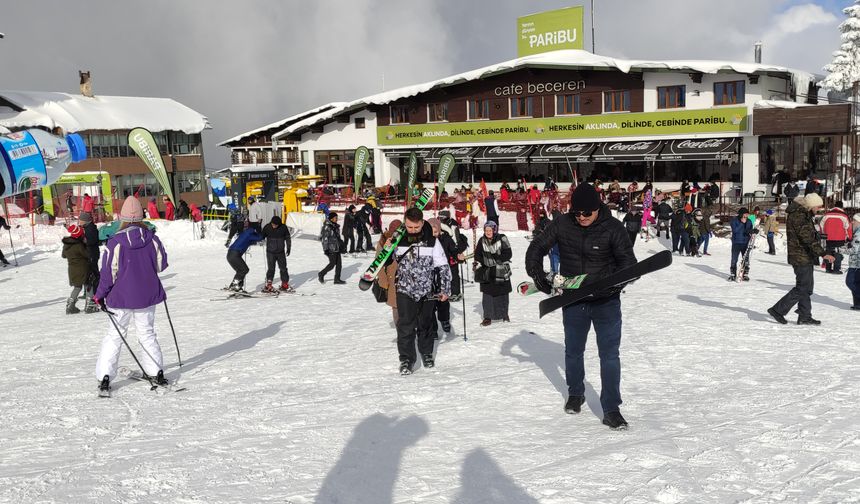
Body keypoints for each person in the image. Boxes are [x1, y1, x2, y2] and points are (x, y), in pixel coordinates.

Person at [525, 183, 637, 430]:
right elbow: (537, 246)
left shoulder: (613, 228)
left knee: (609, 355)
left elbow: (630, 266)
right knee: (573, 351)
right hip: (573, 300)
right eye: (577, 213)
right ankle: (575, 393)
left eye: (587, 213)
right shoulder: (564, 224)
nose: (582, 217)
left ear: (597, 208)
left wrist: (612, 286)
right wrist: (537, 273)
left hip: (606, 302)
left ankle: (611, 408)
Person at [93, 196, 170, 395]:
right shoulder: (152, 239)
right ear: (142, 216)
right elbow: (162, 265)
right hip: (147, 296)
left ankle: (105, 376)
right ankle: (156, 371)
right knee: (147, 333)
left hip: (120, 299)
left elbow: (108, 274)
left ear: (122, 217)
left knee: (115, 336)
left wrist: (99, 295)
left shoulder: (115, 242)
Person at [388, 207, 451, 375]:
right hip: (405, 288)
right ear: (405, 223)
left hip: (427, 290)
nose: (413, 230)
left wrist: (445, 288)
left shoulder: (432, 241)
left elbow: (443, 265)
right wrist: (386, 248)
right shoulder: (397, 240)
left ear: (422, 223)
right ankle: (406, 360)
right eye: (409, 227)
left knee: (426, 324)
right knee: (405, 326)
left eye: (416, 227)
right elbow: (385, 259)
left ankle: (427, 352)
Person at [767, 193, 836, 325]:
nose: (818, 210)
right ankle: (777, 310)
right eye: (817, 207)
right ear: (810, 205)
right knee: (802, 287)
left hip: (805, 255)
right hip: (800, 256)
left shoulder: (804, 214)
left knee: (807, 288)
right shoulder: (799, 215)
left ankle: (804, 315)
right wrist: (822, 253)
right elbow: (807, 238)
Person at [474, 220, 512, 326]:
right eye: (486, 230)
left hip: (501, 270)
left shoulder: (502, 238)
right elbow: (477, 255)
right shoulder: (482, 240)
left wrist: (497, 260)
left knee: (502, 294)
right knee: (488, 295)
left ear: (494, 230)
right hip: (488, 271)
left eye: (490, 230)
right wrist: (485, 261)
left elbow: (508, 253)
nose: (488, 232)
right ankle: (488, 317)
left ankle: (504, 314)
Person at [375, 220, 402, 324]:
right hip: (391, 278)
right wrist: (383, 283)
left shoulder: (406, 240)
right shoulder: (384, 241)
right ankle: (401, 333)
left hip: (405, 276)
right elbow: (379, 264)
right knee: (396, 306)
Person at [438, 209, 469, 301]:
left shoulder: (453, 224)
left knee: (453, 273)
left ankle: (455, 292)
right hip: (443, 250)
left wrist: (457, 251)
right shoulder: (438, 223)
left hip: (452, 251)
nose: (440, 219)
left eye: (442, 217)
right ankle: (445, 291)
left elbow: (455, 238)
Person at [226, 226, 264, 292]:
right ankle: (234, 285)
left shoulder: (245, 233)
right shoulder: (249, 234)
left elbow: (250, 241)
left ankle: (237, 287)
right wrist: (262, 233)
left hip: (230, 254)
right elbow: (260, 237)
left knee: (241, 271)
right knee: (244, 270)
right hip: (235, 254)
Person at [61, 224, 89, 315]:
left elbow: (64, 255)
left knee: (77, 287)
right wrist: (86, 244)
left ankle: (71, 304)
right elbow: (87, 255)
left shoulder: (66, 244)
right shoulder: (79, 245)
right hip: (82, 268)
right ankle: (90, 304)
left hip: (72, 269)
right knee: (89, 284)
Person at [261, 215, 292, 292]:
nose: (273, 226)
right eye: (273, 224)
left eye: (275, 225)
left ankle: (285, 284)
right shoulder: (267, 227)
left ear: (279, 224)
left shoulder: (283, 227)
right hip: (270, 252)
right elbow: (261, 236)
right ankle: (269, 284)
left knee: (283, 268)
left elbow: (288, 238)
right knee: (271, 269)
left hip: (280, 252)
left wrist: (288, 248)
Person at [820, 201, 852, 274]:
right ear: (842, 207)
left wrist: (823, 234)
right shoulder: (844, 215)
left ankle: (828, 268)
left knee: (829, 251)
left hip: (828, 237)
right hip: (840, 238)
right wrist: (849, 238)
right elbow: (848, 228)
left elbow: (821, 225)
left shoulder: (827, 214)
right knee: (838, 252)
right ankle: (836, 269)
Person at [79, 211, 101, 313]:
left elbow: (92, 241)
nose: (79, 221)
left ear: (85, 220)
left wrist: (83, 240)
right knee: (90, 275)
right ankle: (89, 292)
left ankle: (96, 293)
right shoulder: (87, 228)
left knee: (94, 275)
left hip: (92, 254)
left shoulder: (91, 228)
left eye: (80, 220)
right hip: (90, 254)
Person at [318, 212, 345, 284]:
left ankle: (337, 279)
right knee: (332, 264)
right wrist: (325, 249)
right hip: (331, 248)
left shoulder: (335, 226)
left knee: (339, 264)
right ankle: (321, 273)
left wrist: (342, 245)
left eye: (337, 218)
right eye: (336, 218)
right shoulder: (327, 227)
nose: (337, 219)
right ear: (331, 218)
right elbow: (324, 239)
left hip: (337, 248)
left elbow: (338, 238)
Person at [729, 208, 754, 281]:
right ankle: (733, 274)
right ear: (741, 214)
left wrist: (753, 231)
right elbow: (735, 230)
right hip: (736, 242)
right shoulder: (734, 220)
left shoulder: (749, 221)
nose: (747, 215)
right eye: (745, 214)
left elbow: (748, 230)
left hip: (745, 243)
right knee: (734, 259)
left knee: (746, 260)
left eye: (747, 214)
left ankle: (745, 274)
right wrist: (742, 223)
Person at [846, 214, 860, 310]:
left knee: (850, 282)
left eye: (854, 220)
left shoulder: (858, 234)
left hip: (856, 263)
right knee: (856, 283)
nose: (852, 222)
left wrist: (839, 250)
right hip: (856, 263)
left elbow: (853, 250)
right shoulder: (856, 232)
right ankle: (858, 304)